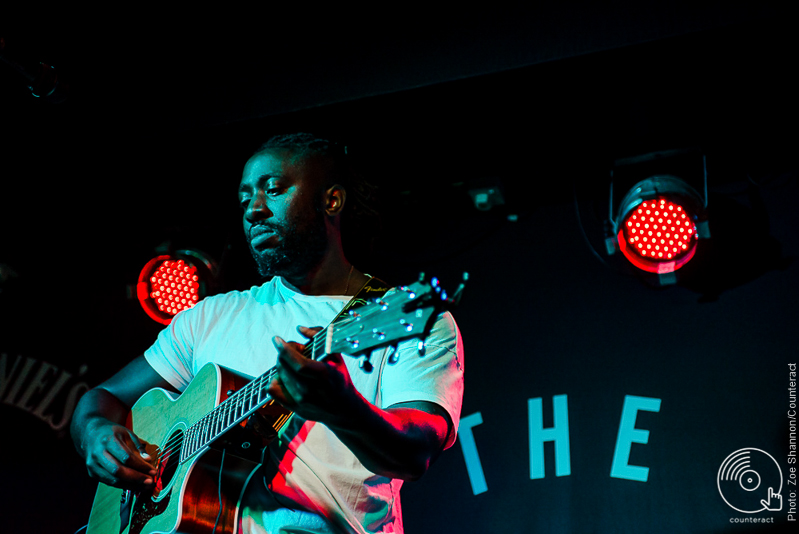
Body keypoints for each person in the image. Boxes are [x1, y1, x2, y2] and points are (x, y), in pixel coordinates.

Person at [70, 133, 465, 533]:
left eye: (273, 190)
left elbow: (416, 453)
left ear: (332, 200)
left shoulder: (403, 317)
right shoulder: (209, 316)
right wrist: (96, 434)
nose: (254, 210)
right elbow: (101, 398)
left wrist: (343, 407)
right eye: (244, 201)